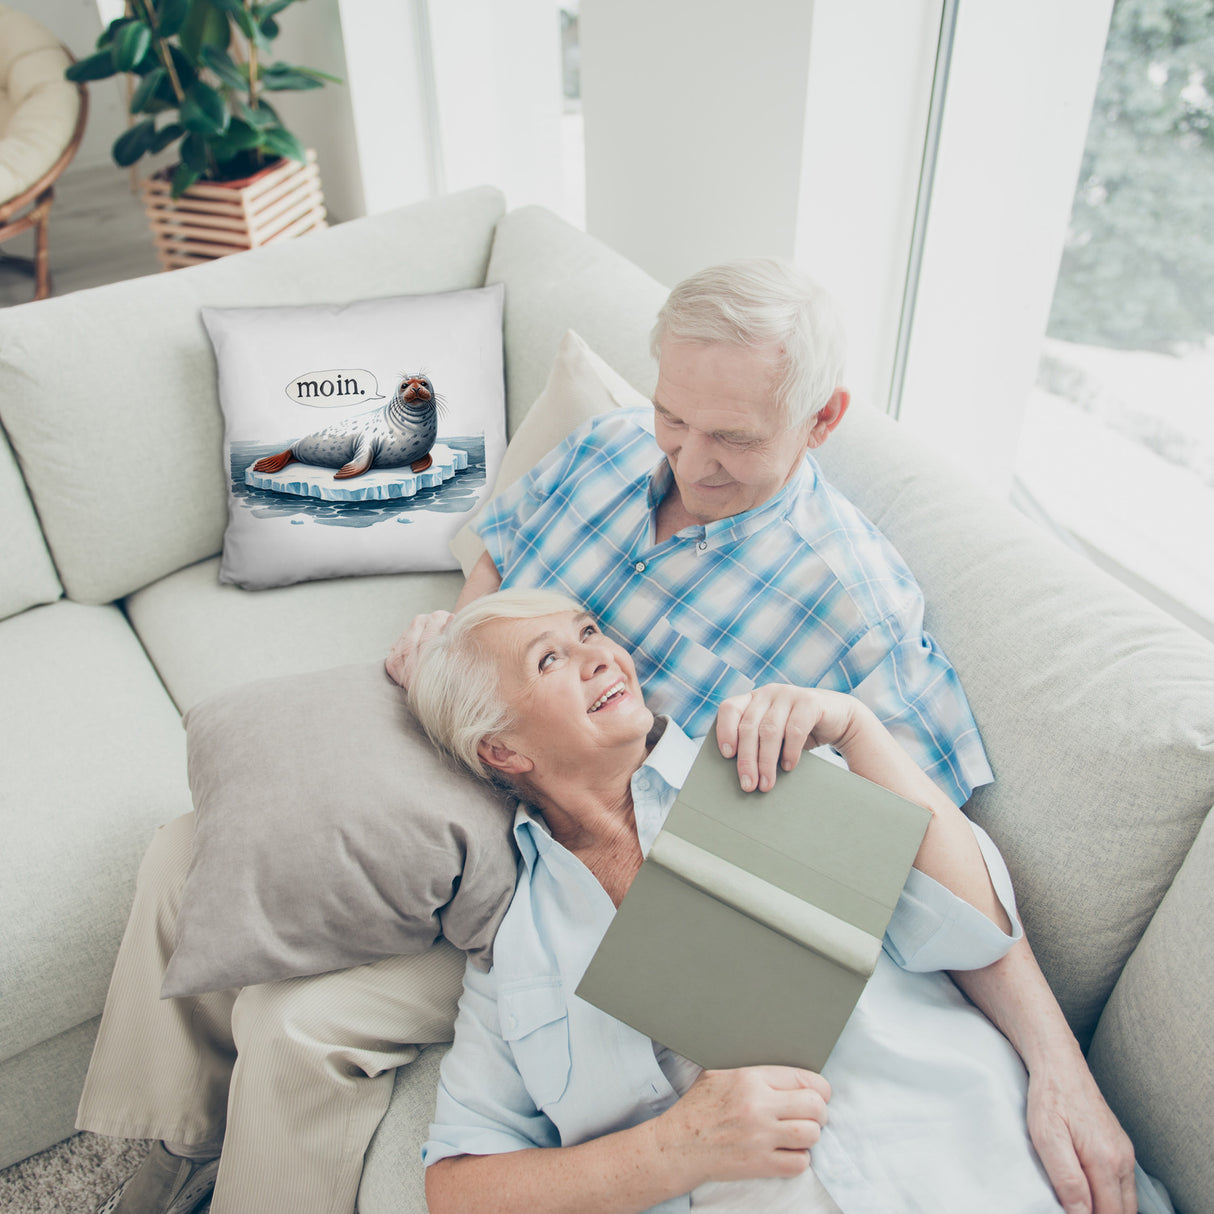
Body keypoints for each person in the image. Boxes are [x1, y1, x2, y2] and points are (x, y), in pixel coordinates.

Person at [79, 260, 1131, 1214]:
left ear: (820, 420)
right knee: (192, 846)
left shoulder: (853, 607)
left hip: (576, 852)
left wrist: (1057, 1063)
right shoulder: (608, 447)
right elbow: (497, 559)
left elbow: (927, 855)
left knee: (300, 1023)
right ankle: (159, 1149)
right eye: (674, 415)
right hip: (486, 746)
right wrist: (457, 641)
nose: (687, 457)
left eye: (732, 438)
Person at [408, 589, 1161, 1214]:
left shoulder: (763, 763)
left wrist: (859, 731)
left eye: (588, 632)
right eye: (551, 659)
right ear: (502, 750)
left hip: (986, 1169)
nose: (601, 655)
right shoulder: (517, 951)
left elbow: (973, 929)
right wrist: (673, 1150)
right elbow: (458, 1188)